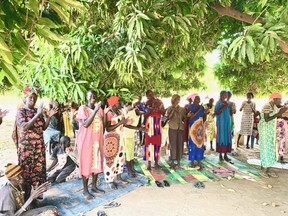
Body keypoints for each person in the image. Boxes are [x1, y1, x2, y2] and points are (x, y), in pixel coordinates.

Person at [13, 86, 58, 197]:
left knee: (38, 172)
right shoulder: (21, 112)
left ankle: (38, 196)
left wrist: (48, 117)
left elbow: (43, 127)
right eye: (30, 98)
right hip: (27, 149)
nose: (33, 100)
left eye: (34, 98)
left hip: (38, 148)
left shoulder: (37, 111)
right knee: (27, 172)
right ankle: (27, 197)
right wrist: (38, 114)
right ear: (25, 99)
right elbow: (24, 127)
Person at [76, 90, 105, 200]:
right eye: (90, 96)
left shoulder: (100, 110)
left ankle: (94, 186)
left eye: (94, 96)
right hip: (86, 142)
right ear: (86, 97)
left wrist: (101, 111)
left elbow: (103, 125)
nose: (93, 97)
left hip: (97, 141)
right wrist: (95, 110)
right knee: (87, 164)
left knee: (96, 163)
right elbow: (85, 124)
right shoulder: (83, 109)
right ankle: (85, 190)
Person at [104, 96, 132, 189]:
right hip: (110, 140)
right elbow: (108, 128)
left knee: (120, 159)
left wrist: (128, 123)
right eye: (118, 102)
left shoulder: (120, 112)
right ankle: (110, 180)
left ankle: (118, 177)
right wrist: (121, 123)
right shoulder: (109, 113)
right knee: (111, 160)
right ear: (113, 103)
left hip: (119, 139)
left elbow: (124, 123)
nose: (120, 103)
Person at [258, 93, 287, 178]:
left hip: (270, 130)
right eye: (279, 99)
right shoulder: (267, 105)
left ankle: (268, 169)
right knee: (266, 149)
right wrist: (278, 114)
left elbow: (280, 110)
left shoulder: (273, 105)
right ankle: (263, 170)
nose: (280, 101)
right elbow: (266, 119)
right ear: (274, 99)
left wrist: (282, 111)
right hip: (265, 130)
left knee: (271, 149)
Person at [144, 90, 166, 170]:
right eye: (148, 95)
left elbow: (164, 113)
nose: (150, 96)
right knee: (149, 143)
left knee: (157, 143)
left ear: (153, 94)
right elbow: (145, 115)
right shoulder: (146, 103)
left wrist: (163, 121)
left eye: (151, 94)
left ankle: (156, 163)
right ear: (147, 96)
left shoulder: (159, 102)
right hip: (149, 125)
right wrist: (149, 110)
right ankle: (149, 164)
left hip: (157, 124)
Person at [122, 102, 143, 177]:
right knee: (128, 154)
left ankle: (132, 169)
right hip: (126, 136)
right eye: (141, 112)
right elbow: (125, 126)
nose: (141, 113)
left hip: (131, 135)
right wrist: (138, 128)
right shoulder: (130, 113)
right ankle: (129, 171)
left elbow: (138, 124)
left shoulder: (138, 113)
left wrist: (140, 127)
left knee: (131, 153)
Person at [166, 94, 186, 169]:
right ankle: (173, 160)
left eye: (179, 99)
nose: (178, 100)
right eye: (177, 99)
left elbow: (183, 118)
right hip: (173, 128)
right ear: (173, 100)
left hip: (180, 128)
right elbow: (168, 117)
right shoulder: (170, 108)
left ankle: (178, 161)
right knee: (173, 145)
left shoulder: (181, 109)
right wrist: (173, 110)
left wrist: (188, 116)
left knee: (180, 145)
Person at [187, 95, 206, 169]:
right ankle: (192, 160)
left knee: (199, 144)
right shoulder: (190, 107)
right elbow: (189, 117)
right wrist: (196, 111)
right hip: (192, 127)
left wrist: (205, 114)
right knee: (192, 143)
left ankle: (199, 160)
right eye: (196, 99)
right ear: (194, 100)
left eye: (199, 99)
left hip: (200, 127)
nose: (198, 100)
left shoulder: (202, 107)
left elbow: (204, 118)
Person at [214, 91, 233, 163]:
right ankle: (220, 155)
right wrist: (222, 107)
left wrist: (231, 109)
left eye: (226, 95)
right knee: (221, 137)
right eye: (224, 94)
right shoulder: (218, 103)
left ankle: (225, 155)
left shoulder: (228, 103)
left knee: (227, 138)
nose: (226, 96)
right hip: (221, 123)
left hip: (227, 123)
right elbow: (216, 113)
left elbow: (230, 114)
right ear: (221, 95)